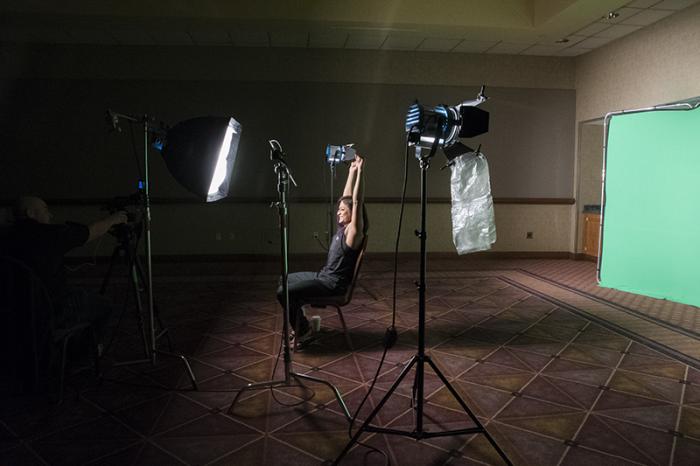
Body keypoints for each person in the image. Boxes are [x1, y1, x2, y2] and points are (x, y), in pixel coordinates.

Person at [4, 196, 127, 353]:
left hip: (13, 309)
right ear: (30, 213)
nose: (50, 215)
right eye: (46, 210)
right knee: (105, 305)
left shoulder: (6, 236)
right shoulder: (50, 235)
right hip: (49, 309)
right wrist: (114, 219)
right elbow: (90, 232)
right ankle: (81, 355)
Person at [277, 154, 368, 345]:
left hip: (332, 284)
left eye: (343, 210)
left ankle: (303, 331)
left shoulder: (353, 233)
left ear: (353, 215)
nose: (338, 212)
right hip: (323, 276)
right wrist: (351, 172)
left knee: (283, 293)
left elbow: (357, 201)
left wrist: (360, 172)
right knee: (284, 280)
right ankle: (302, 324)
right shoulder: (343, 227)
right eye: (339, 209)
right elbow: (347, 198)